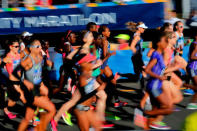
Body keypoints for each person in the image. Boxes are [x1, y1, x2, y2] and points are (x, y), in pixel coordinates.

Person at [18, 39, 55, 131]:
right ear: (31, 49)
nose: (40, 48)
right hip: (31, 91)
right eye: (37, 46)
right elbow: (16, 72)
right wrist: (25, 82)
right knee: (51, 109)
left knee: (27, 117)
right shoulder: (27, 60)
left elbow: (38, 72)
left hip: (37, 88)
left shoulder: (40, 57)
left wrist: (42, 84)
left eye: (40, 46)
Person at [98, 25, 127, 107]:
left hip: (104, 65)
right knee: (100, 84)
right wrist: (111, 54)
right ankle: (93, 101)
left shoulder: (103, 40)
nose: (109, 32)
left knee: (112, 81)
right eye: (108, 31)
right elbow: (104, 55)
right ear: (103, 32)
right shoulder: (104, 41)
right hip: (101, 65)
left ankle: (117, 101)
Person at [3, 38, 26, 119]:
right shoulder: (8, 57)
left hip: (18, 81)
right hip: (12, 82)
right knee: (23, 97)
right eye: (16, 46)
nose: (18, 48)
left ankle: (4, 108)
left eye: (18, 46)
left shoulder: (18, 55)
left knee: (12, 102)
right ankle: (33, 117)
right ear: (10, 47)